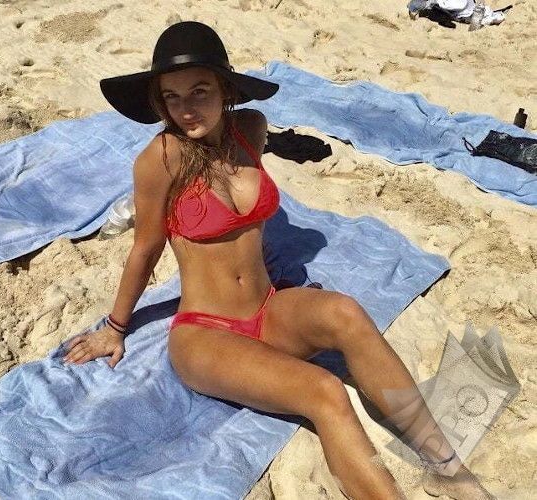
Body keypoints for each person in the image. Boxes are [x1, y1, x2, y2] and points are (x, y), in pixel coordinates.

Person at [63, 21, 495, 500]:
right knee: (325, 391)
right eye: (172, 97)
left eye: (200, 91)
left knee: (345, 311)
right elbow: (145, 248)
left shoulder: (251, 129)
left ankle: (449, 469)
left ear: (225, 89)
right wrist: (114, 328)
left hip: (268, 309)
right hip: (206, 333)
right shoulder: (162, 157)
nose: (186, 109)